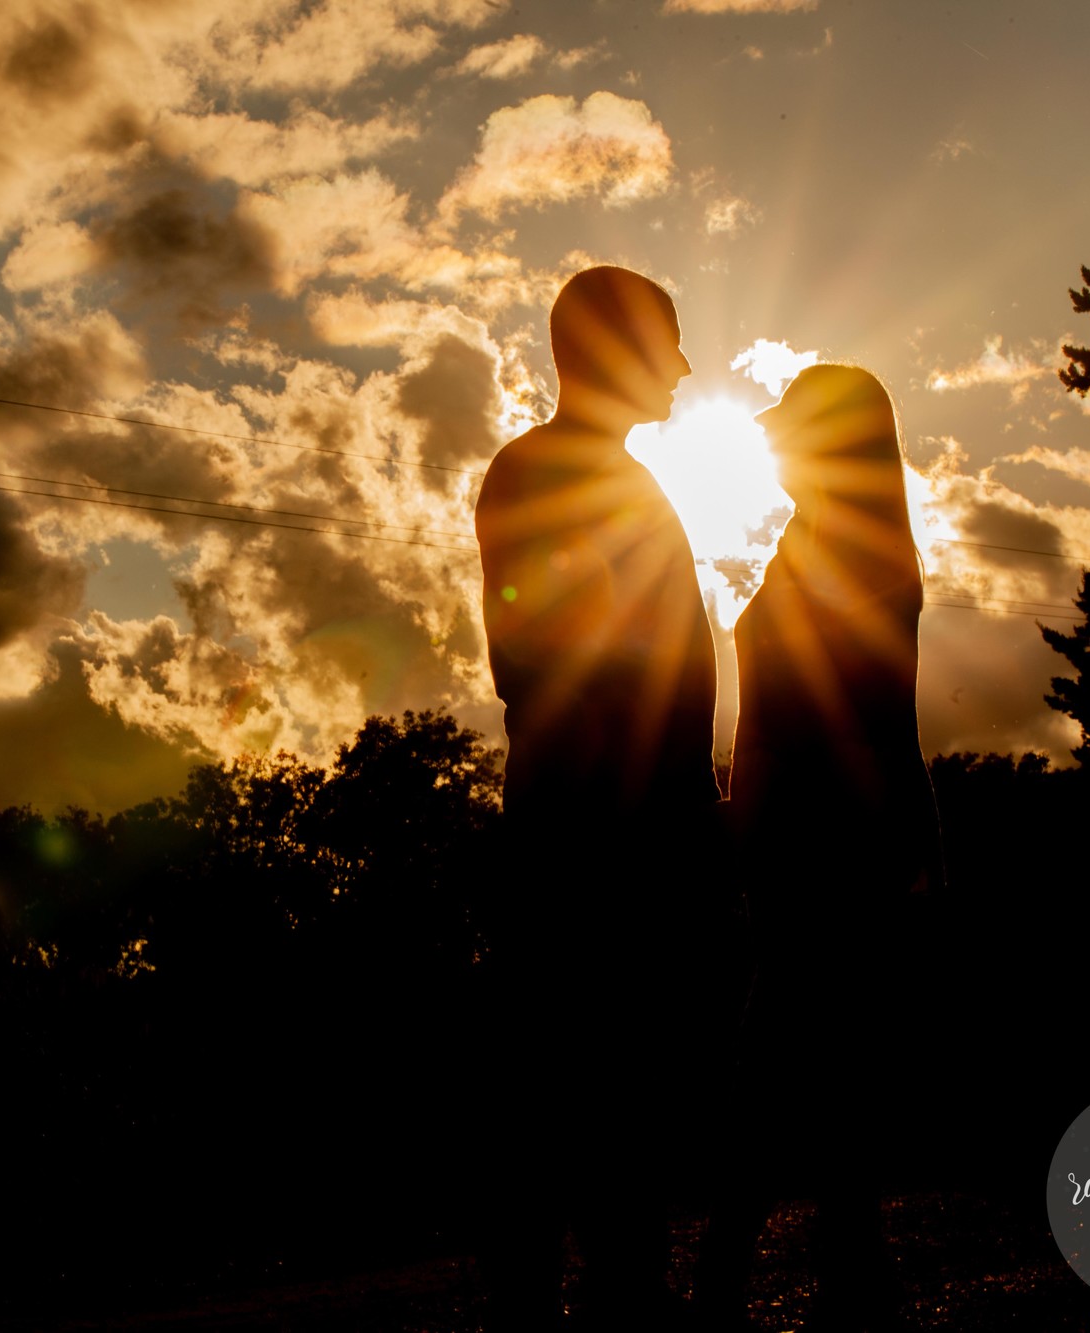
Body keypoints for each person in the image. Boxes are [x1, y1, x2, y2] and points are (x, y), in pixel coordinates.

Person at [471, 266, 723, 1330]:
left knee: (606, 1075)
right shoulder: (546, 474)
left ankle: (614, 1280)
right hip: (597, 839)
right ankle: (578, 1293)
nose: (681, 365)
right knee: (581, 1073)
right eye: (665, 341)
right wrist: (652, 814)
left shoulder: (588, 473)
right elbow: (541, 660)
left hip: (615, 828)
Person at [700, 363, 941, 1331]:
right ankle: (850, 1277)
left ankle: (741, 1278)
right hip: (820, 837)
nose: (767, 440)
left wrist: (763, 818)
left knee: (782, 1064)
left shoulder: (851, 547)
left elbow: (853, 718)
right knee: (823, 1065)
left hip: (822, 844)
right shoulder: (825, 539)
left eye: (788, 427)